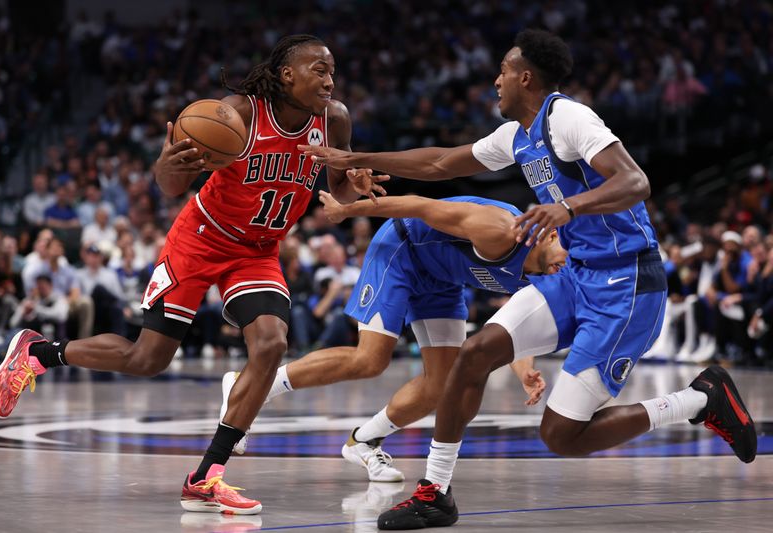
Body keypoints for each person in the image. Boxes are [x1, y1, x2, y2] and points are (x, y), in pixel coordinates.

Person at [297, 29, 756, 530]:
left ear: (525, 77)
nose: (495, 82)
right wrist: (355, 159)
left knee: (561, 436)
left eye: (502, 72)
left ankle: (697, 400)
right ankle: (436, 493)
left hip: (625, 286)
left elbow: (635, 181)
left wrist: (567, 206)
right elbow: (440, 163)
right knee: (473, 357)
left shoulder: (570, 118)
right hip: (576, 274)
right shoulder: (517, 136)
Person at [0, 34, 384, 515]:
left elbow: (338, 192)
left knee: (272, 344)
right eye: (319, 69)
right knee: (147, 358)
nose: (330, 79)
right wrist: (165, 163)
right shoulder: (235, 113)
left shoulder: (334, 118)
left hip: (257, 250)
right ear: (286, 74)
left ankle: (206, 476)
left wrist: (355, 187)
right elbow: (171, 185)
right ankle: (39, 352)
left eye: (332, 70)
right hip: (201, 237)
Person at [220, 190, 563, 481]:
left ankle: (364, 442)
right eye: (568, 252)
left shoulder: (550, 274)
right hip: (403, 250)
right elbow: (419, 205)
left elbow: (513, 329)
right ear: (549, 233)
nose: (569, 264)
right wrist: (349, 210)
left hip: (442, 281)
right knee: (370, 359)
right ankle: (251, 385)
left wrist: (525, 374)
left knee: (443, 385)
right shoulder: (502, 228)